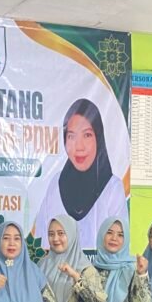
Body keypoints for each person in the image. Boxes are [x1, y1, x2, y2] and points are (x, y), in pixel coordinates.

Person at [34, 98, 127, 250]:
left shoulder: (112, 188)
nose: (79, 146)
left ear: (99, 137)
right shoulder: (56, 185)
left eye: (87, 135)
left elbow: (118, 246)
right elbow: (41, 241)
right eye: (71, 136)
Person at [38, 215, 105, 302]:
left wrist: (75, 276)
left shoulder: (85, 268)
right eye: (51, 234)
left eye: (61, 233)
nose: (55, 238)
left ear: (72, 235)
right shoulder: (41, 266)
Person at [91, 216, 151, 302]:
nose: (114, 238)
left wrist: (142, 275)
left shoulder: (134, 268)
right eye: (109, 232)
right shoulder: (91, 271)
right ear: (101, 235)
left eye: (120, 235)